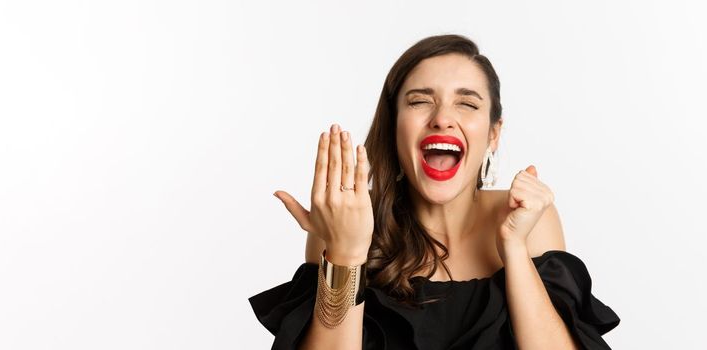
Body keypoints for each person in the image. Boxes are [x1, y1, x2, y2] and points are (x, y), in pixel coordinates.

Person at [249, 34, 619, 349]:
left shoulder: (528, 220)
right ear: (394, 127)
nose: (442, 117)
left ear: (493, 134)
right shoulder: (345, 222)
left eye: (467, 103)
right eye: (420, 100)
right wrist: (346, 253)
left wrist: (514, 248)